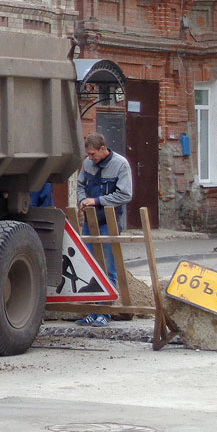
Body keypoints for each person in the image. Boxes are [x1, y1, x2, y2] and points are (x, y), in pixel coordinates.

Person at [75, 131, 133, 327]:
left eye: (93, 154)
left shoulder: (120, 164)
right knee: (89, 266)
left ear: (103, 148)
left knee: (108, 268)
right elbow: (81, 185)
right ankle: (93, 311)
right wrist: (83, 199)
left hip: (109, 222)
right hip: (90, 223)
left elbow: (125, 194)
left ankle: (105, 312)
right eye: (88, 154)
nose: (90, 158)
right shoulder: (88, 164)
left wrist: (97, 201)